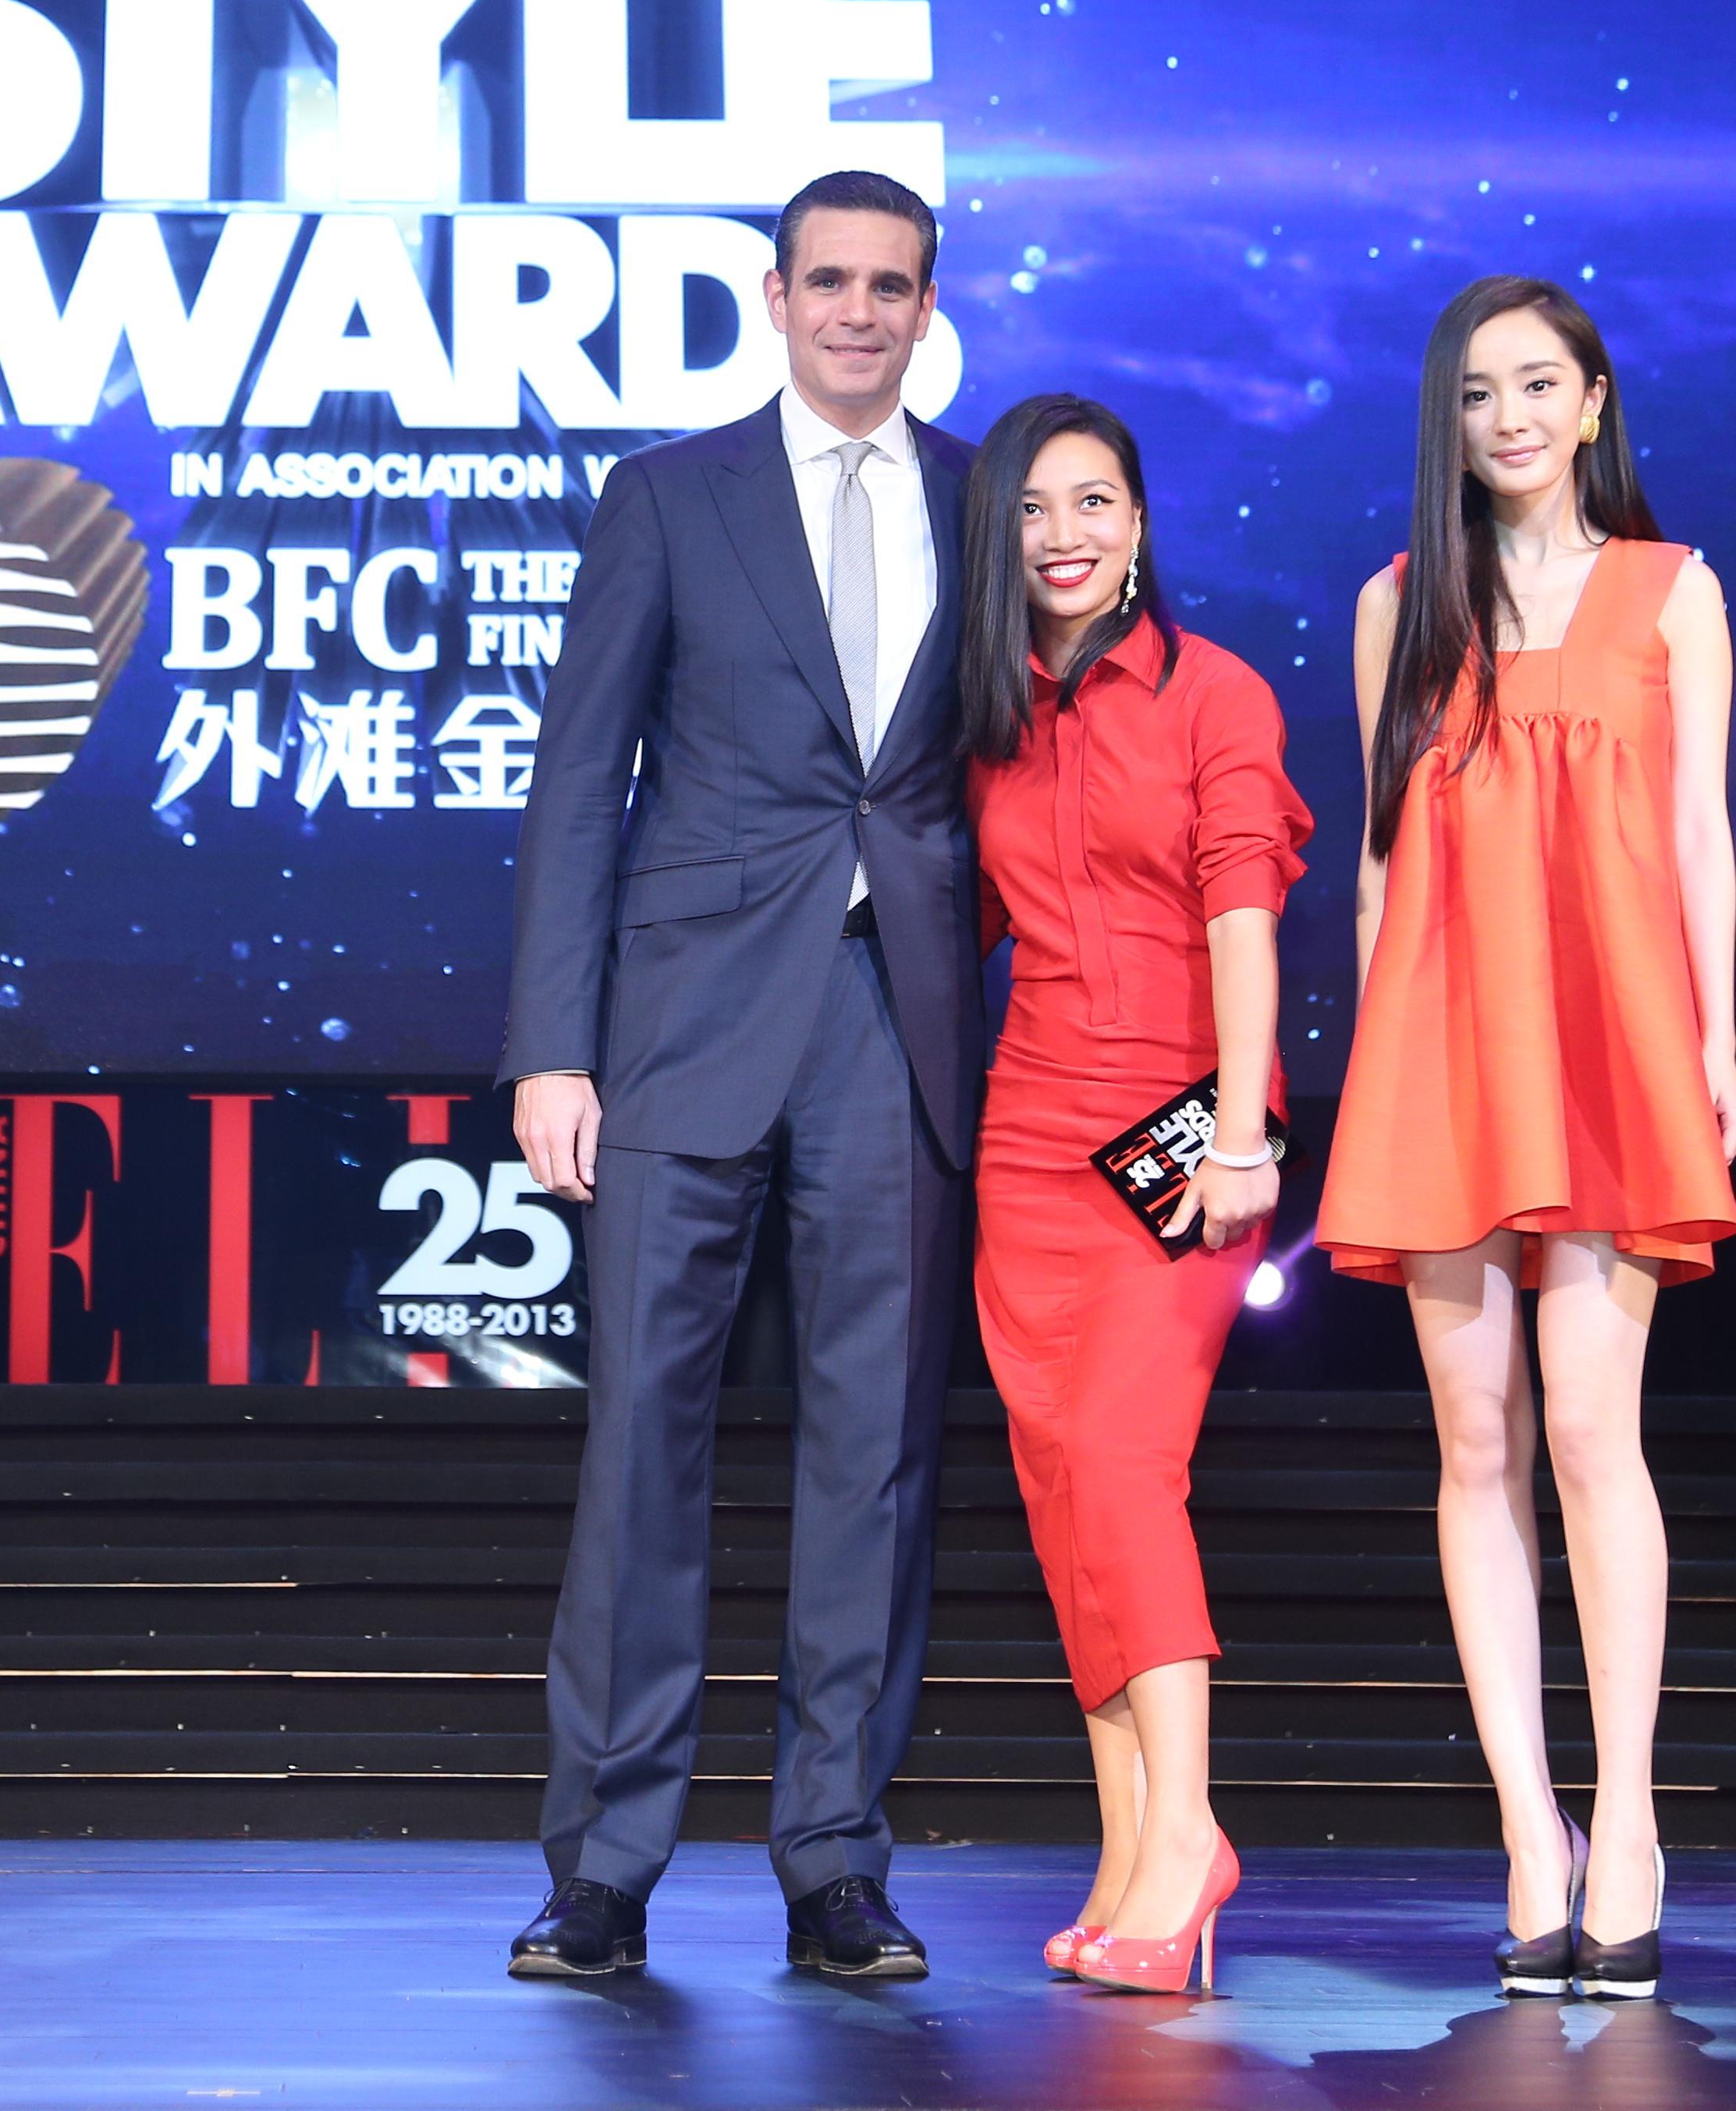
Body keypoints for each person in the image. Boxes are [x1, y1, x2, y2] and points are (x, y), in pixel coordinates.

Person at [498, 169, 986, 1985]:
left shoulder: (985, 498)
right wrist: (555, 1045)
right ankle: (605, 1867)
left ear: (928, 305)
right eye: (829, 280)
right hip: (682, 1024)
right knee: (643, 1443)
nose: (859, 310)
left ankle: (835, 1859)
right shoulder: (669, 495)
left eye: (892, 284)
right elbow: (578, 782)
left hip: (896, 1022)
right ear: (775, 299)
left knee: (877, 1456)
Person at [1318, 276, 1736, 2006]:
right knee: (1474, 1437)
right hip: (1440, 1046)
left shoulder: (1673, 591)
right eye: (1478, 391)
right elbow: (1375, 861)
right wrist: (1371, 1064)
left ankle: (1628, 1822)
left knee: (1586, 1426)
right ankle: (1526, 1831)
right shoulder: (1399, 605)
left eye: (1537, 385)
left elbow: (1703, 834)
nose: (1507, 417)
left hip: (1610, 1042)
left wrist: (1716, 1044)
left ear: (1593, 402)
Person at [959, 395, 1308, 1999]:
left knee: (1120, 1461)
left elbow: (1245, 918)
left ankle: (1189, 1839)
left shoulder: (1214, 692)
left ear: (1141, 523)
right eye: (1035, 509)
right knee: (1062, 1491)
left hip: (1182, 1131)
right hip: (1028, 1137)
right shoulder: (985, 715)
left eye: (1093, 501)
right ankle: (1126, 1857)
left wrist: (1241, 1132)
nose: (1066, 534)